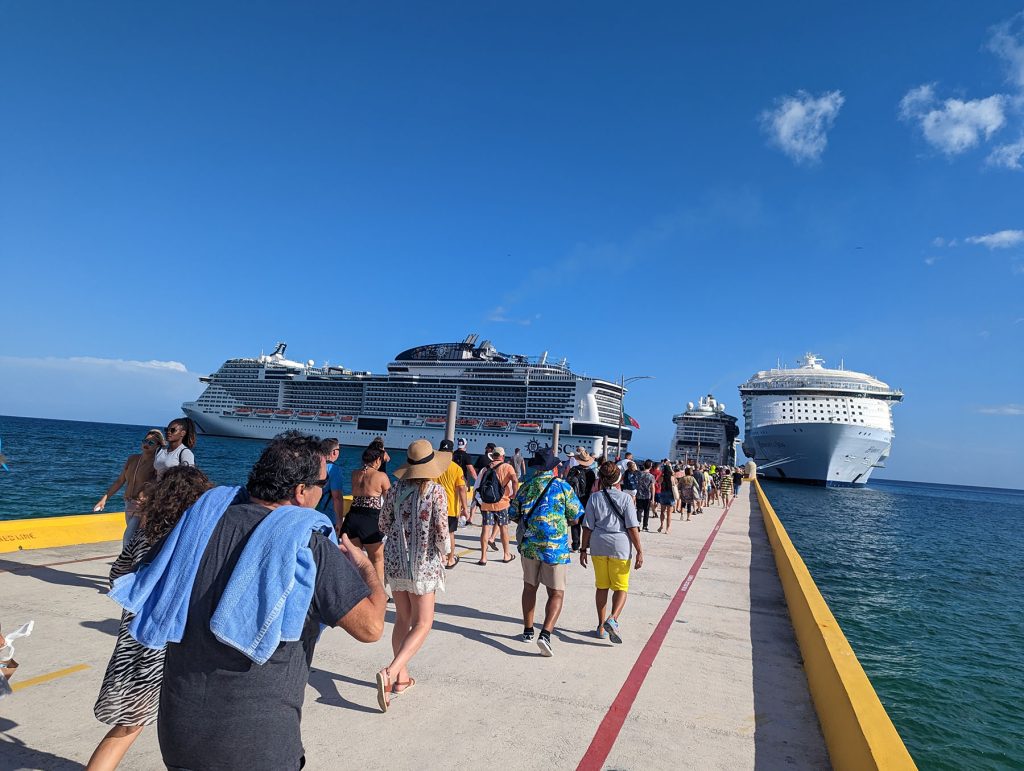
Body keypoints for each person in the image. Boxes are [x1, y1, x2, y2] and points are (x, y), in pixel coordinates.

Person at [113, 431, 387, 771]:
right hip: (259, 745)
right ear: (302, 492)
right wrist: (366, 570)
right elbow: (371, 627)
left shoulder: (196, 528)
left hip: (179, 735)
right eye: (321, 483)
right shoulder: (307, 545)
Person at [87, 466, 212, 771]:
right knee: (134, 724)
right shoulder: (193, 539)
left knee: (131, 722)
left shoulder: (147, 530)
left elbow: (117, 573)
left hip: (135, 632)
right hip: (168, 642)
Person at [376, 440, 451, 712]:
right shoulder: (436, 492)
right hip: (423, 564)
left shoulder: (396, 490)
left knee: (403, 620)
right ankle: (391, 672)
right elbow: (442, 531)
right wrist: (447, 552)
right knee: (423, 623)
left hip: (396, 561)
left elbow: (383, 523)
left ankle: (402, 678)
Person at [511, 447, 583, 656]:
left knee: (529, 587)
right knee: (556, 593)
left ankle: (527, 630)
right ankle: (546, 635)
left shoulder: (526, 486)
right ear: (553, 467)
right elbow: (576, 516)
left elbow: (513, 513)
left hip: (529, 546)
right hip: (555, 548)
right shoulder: (563, 486)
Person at [580, 462, 643, 643]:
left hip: (598, 544)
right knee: (621, 587)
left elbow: (587, 527)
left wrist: (583, 549)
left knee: (602, 586)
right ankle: (613, 619)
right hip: (620, 545)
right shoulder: (625, 499)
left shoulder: (594, 498)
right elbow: (632, 527)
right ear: (619, 479)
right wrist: (639, 550)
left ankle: (601, 627)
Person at [93, 429, 163, 545]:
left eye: (151, 443)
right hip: (128, 504)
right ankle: (136, 562)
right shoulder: (132, 459)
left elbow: (157, 485)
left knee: (128, 538)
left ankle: (126, 563)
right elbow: (120, 481)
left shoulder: (156, 464)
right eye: (145, 441)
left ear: (157, 446)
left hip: (141, 506)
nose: (146, 444)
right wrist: (104, 499)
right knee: (134, 540)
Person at [345, 445, 392, 591]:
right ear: (377, 460)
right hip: (371, 519)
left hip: (352, 517)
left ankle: (355, 590)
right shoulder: (381, 476)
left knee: (354, 558)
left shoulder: (354, 474)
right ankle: (380, 593)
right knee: (377, 558)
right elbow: (389, 500)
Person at [476, 446, 519, 565]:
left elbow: (478, 485)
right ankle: (506, 555)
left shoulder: (485, 468)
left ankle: (483, 557)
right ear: (503, 456)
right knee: (503, 528)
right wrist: (514, 494)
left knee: (486, 529)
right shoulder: (507, 467)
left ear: (493, 455)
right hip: (502, 503)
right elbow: (515, 480)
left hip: (486, 504)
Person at [437, 439, 470, 569]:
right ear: (451, 453)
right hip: (450, 507)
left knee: (436, 533)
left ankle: (440, 558)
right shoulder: (456, 469)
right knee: (450, 534)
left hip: (435, 507)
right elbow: (462, 489)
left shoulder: (433, 466)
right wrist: (465, 509)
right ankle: (450, 559)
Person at [565, 449, 597, 551]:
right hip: (587, 499)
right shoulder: (591, 473)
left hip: (574, 499)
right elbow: (593, 488)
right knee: (586, 523)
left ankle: (575, 545)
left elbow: (567, 484)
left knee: (575, 523)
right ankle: (586, 544)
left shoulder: (573, 470)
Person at [318, 438, 345, 528]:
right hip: (327, 519)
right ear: (334, 452)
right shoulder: (334, 470)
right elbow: (337, 498)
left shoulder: (313, 465)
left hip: (311, 515)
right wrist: (340, 522)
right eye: (338, 450)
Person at [635, 461, 656, 532]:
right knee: (646, 511)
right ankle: (645, 526)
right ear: (650, 466)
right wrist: (653, 498)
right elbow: (652, 488)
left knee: (639, 510)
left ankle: (637, 524)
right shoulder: (651, 476)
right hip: (647, 495)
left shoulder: (638, 474)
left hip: (639, 494)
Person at [656, 460, 676, 533]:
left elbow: (658, 483)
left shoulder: (662, 476)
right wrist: (671, 470)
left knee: (662, 511)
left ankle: (661, 525)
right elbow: (674, 484)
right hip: (670, 494)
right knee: (669, 513)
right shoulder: (672, 477)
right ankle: (667, 529)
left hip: (663, 493)